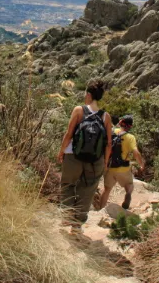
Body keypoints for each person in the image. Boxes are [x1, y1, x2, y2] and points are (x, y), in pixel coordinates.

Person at [57, 79, 112, 230]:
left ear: (88, 94)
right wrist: (105, 162)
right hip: (95, 161)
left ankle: (66, 217)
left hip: (73, 156)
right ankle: (77, 224)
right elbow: (108, 143)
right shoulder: (106, 117)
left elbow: (68, 134)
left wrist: (61, 151)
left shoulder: (78, 110)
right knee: (87, 190)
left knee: (68, 184)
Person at [98, 115, 145, 211]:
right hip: (123, 168)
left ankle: (100, 210)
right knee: (129, 185)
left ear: (120, 122)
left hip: (110, 167)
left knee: (107, 190)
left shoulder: (113, 132)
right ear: (130, 126)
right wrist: (141, 164)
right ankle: (128, 195)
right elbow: (136, 152)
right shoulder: (130, 137)